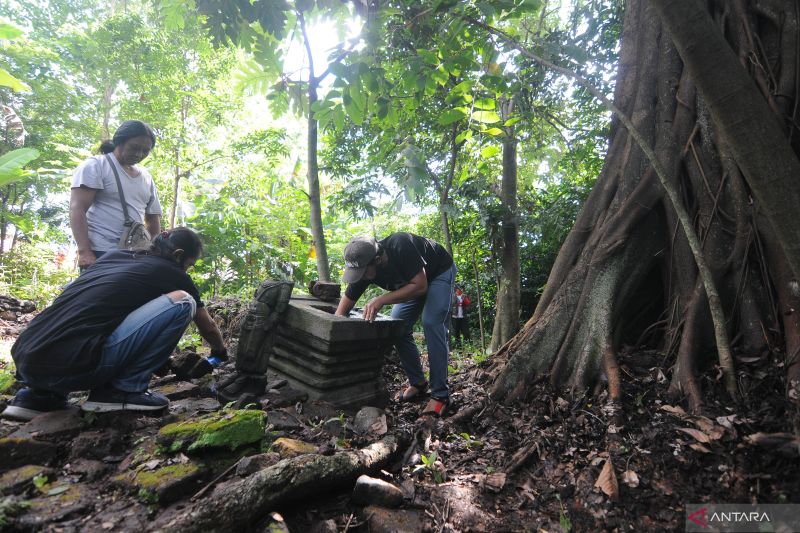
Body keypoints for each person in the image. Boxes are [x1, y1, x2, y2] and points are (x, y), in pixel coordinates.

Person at [2, 228, 227, 421]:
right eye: (189, 264)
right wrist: (220, 351)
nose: (187, 270)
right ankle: (122, 390)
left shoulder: (113, 257)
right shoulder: (174, 274)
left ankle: (38, 396)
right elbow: (207, 326)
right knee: (183, 302)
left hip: (27, 359)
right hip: (76, 364)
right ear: (178, 255)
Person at [335, 232, 456, 418]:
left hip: (437, 274)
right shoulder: (364, 269)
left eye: (363, 271)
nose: (361, 277)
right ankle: (418, 383)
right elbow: (342, 310)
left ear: (377, 259)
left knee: (431, 323)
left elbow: (421, 285)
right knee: (398, 327)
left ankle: (440, 395)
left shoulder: (400, 244)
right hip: (411, 283)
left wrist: (381, 299)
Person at [70, 120, 162, 271]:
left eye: (145, 151)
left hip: (135, 255)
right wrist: (84, 251)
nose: (139, 154)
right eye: (134, 147)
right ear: (119, 141)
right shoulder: (96, 165)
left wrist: (155, 253)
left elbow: (152, 218)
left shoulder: (146, 177)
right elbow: (77, 208)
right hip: (100, 252)